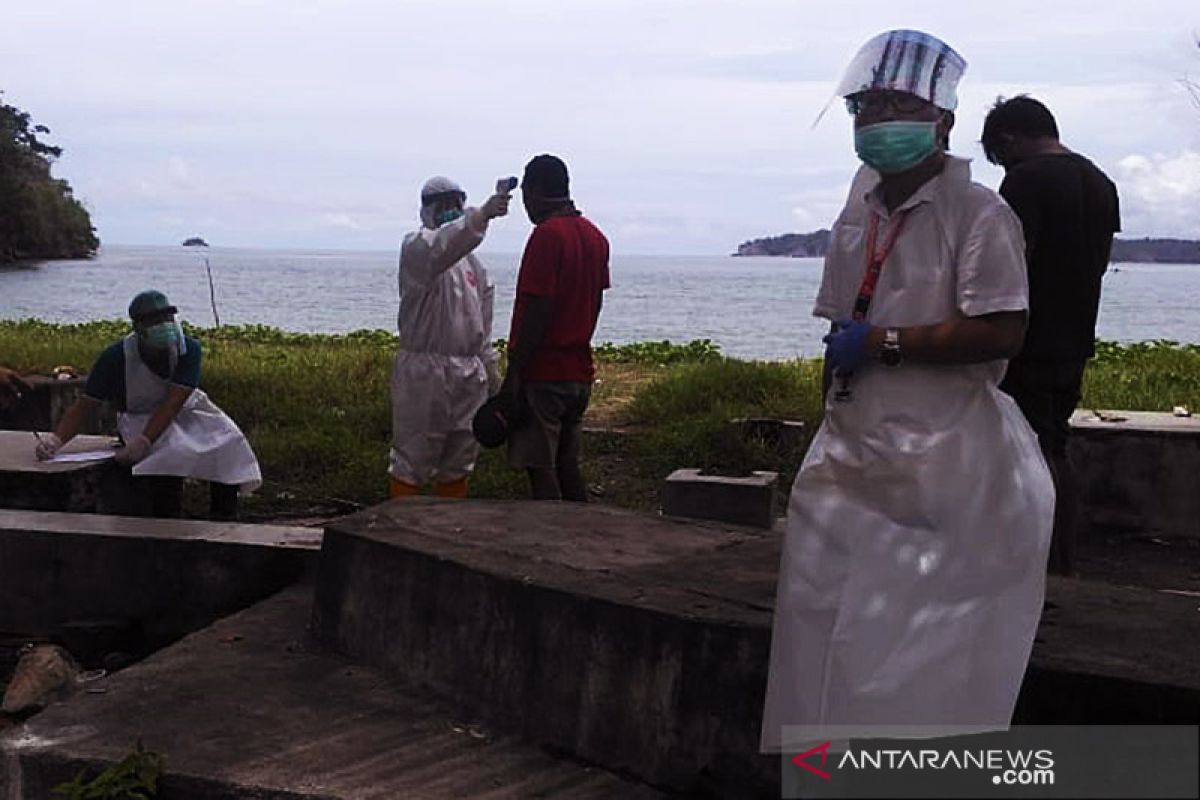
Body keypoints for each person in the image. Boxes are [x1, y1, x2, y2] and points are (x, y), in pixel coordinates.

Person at [760, 30, 1054, 751]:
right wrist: (827, 407)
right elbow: (839, 325)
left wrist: (887, 345)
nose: (875, 119)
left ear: (941, 119)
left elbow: (1002, 329)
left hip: (946, 459)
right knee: (821, 632)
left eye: (896, 103)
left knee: (916, 654)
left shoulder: (978, 212)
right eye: (865, 105)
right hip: (851, 456)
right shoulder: (859, 209)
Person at [982, 96, 1121, 577]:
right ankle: (1059, 560)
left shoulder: (1024, 181)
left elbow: (1008, 261)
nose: (1002, 165)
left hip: (1027, 340)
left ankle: (1041, 563)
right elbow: (1098, 262)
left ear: (1008, 140)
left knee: (1027, 449)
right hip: (1076, 334)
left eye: (998, 156)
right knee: (1054, 445)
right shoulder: (1101, 182)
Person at [34, 290, 261, 519]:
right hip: (137, 416)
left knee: (228, 441)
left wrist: (145, 441)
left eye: (167, 319)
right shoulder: (115, 357)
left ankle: (223, 515)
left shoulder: (188, 350)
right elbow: (86, 405)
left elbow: (174, 402)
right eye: (155, 321)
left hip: (184, 411)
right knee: (171, 453)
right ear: (138, 327)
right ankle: (167, 518)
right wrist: (56, 440)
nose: (164, 325)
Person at [388, 176, 510, 499]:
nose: (451, 212)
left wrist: (493, 377)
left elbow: (483, 328)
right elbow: (444, 245)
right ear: (426, 210)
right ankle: (400, 531)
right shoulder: (416, 249)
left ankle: (447, 529)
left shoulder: (475, 268)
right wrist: (481, 215)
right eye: (443, 205)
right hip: (423, 373)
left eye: (456, 204)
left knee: (460, 458)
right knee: (412, 457)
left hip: (469, 373)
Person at [500, 154, 610, 501]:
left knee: (540, 466)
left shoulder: (546, 237)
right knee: (567, 463)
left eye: (525, 196)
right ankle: (581, 537)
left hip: (544, 374)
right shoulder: (596, 237)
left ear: (535, 190)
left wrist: (515, 372)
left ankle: (549, 541)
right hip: (579, 372)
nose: (525, 205)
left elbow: (537, 307)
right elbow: (596, 301)